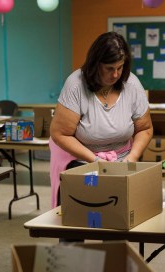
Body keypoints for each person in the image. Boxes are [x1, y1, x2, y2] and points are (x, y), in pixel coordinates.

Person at [49, 31, 153, 207]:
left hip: (122, 161)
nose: (115, 75)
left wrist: (133, 156)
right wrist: (95, 160)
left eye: (120, 68)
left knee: (117, 220)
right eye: (109, 68)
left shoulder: (132, 84)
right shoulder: (76, 85)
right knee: (75, 220)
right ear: (95, 64)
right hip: (80, 161)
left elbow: (145, 128)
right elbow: (59, 134)